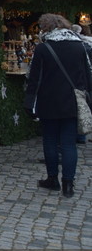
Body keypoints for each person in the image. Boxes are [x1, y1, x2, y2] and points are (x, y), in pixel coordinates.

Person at [25, 13, 92, 198]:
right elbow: (88, 75)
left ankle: (52, 179)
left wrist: (30, 102)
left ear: (46, 28)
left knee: (50, 142)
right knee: (69, 144)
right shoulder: (80, 47)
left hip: (49, 102)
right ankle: (68, 184)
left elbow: (34, 79)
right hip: (72, 101)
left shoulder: (43, 49)